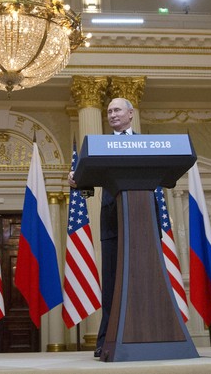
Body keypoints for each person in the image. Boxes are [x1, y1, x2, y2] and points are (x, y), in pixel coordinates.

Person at [67, 97, 135, 358]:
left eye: (117, 110)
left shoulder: (147, 144)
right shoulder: (99, 145)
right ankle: (106, 340)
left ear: (130, 113)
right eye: (108, 111)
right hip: (112, 222)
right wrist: (77, 183)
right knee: (112, 283)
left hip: (143, 226)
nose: (112, 114)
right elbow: (87, 188)